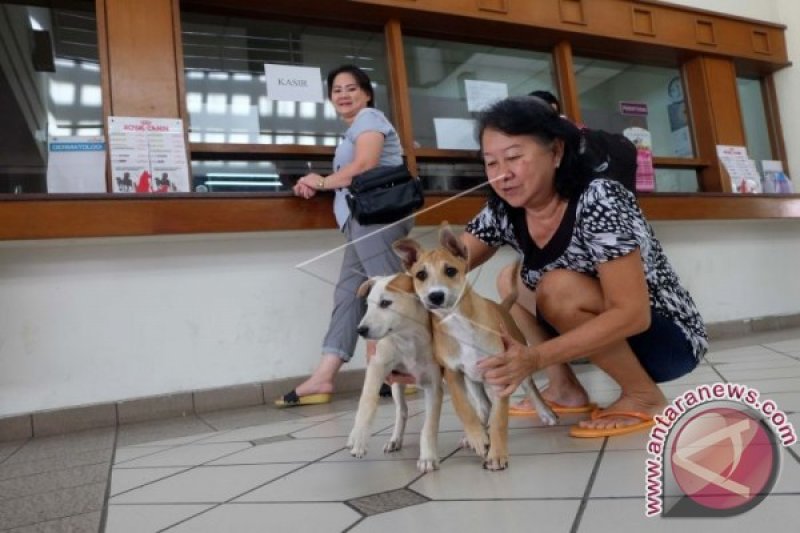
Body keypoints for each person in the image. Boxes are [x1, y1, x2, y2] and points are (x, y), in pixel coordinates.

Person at [459, 96, 707, 437]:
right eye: (491, 163)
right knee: (510, 279)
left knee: (558, 287)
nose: (503, 175)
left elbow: (634, 314)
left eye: (514, 157)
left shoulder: (599, 198)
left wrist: (534, 359)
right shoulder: (504, 210)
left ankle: (643, 396)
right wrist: (399, 313)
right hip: (607, 335)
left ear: (557, 152)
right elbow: (449, 264)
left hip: (666, 340)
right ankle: (565, 389)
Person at [276, 64, 414, 407]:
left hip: (377, 220)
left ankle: (405, 369)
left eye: (351, 88)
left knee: (388, 293)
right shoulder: (353, 130)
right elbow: (350, 175)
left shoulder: (369, 118)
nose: (343, 94)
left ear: (367, 93)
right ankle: (324, 376)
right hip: (360, 222)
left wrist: (321, 181)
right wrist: (315, 183)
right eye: (336, 89)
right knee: (349, 295)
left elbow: (365, 165)